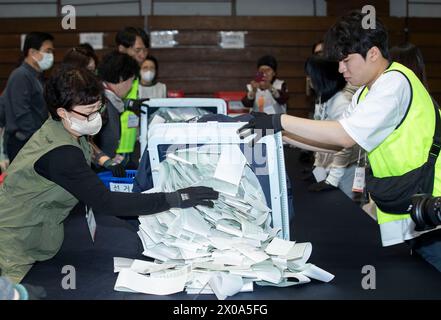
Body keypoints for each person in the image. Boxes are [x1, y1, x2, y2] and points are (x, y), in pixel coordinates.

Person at [237, 11, 441, 272]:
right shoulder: (366, 92)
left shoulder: (394, 83)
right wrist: (281, 135)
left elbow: (343, 134)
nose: (341, 69)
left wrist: (280, 121)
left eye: (346, 60)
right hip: (409, 202)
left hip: (432, 206)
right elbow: (337, 143)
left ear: (373, 53)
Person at [0, 66, 219, 283]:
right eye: (89, 113)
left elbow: (86, 143)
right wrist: (175, 198)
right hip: (14, 245)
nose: (96, 118)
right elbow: (107, 202)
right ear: (62, 112)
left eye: (99, 109)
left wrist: (103, 159)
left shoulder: (69, 127)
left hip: (39, 236)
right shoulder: (61, 155)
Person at [285, 55, 360, 199]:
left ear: (322, 78)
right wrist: (318, 170)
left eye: (311, 76)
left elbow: (344, 146)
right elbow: (321, 136)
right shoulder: (323, 99)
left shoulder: (341, 103)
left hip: (346, 168)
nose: (308, 80)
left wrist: (332, 180)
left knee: (345, 205)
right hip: (332, 166)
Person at [1, 32, 54, 162]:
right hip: (23, 141)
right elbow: (21, 112)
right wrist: (38, 139)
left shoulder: (36, 76)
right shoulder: (21, 75)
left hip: (32, 140)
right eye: (47, 51)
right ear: (33, 52)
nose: (51, 55)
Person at [94, 51, 139, 168]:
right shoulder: (100, 103)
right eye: (131, 80)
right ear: (120, 78)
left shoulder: (111, 100)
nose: (131, 86)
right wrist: (106, 161)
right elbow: (87, 141)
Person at [115, 27, 150, 100]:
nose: (143, 55)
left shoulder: (134, 71)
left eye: (145, 50)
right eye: (137, 50)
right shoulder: (114, 73)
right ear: (122, 49)